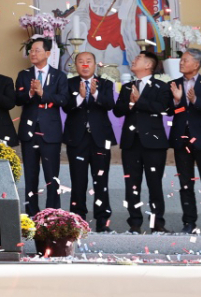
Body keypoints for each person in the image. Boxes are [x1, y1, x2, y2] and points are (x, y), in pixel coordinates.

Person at [114, 49, 172, 233]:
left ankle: (157, 222)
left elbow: (164, 108)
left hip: (154, 142)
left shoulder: (161, 86)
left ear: (148, 65)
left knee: (154, 183)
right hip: (131, 142)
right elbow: (118, 111)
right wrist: (130, 103)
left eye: (138, 58)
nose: (134, 60)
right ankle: (135, 222)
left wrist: (140, 101)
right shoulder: (127, 86)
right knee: (132, 184)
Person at [168, 46, 201, 234]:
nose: (181, 62)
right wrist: (177, 102)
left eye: (186, 60)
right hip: (182, 140)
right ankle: (189, 222)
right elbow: (171, 112)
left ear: (197, 64)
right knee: (185, 184)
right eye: (181, 60)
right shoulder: (174, 84)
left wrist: (195, 100)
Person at [15, 36, 69, 215]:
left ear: (47, 53)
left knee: (51, 176)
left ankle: (52, 214)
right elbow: (17, 99)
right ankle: (31, 214)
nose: (33, 53)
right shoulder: (23, 75)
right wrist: (30, 93)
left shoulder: (59, 76)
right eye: (31, 50)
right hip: (29, 131)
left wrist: (43, 93)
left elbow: (63, 99)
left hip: (50, 132)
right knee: (30, 176)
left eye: (37, 50)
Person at [64, 50, 115, 233]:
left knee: (101, 180)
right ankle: (78, 221)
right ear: (76, 65)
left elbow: (110, 105)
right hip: (77, 139)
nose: (84, 64)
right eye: (80, 61)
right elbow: (65, 105)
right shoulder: (68, 83)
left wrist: (95, 94)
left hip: (100, 140)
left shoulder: (106, 84)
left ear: (95, 65)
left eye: (88, 61)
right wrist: (79, 96)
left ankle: (103, 222)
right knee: (78, 181)